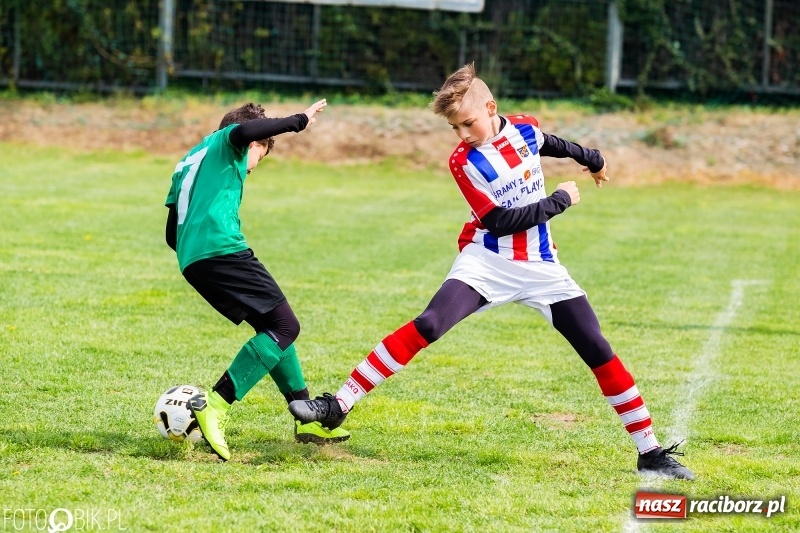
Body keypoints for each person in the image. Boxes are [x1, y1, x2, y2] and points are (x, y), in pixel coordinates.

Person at [289, 64, 695, 480]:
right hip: (487, 260)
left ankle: (650, 452)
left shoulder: (523, 129)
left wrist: (593, 158)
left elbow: (549, 143)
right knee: (429, 324)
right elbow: (500, 221)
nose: (463, 134)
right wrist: (560, 200)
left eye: (468, 123)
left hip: (541, 266)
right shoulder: (463, 162)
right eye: (454, 128)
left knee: (597, 348)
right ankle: (339, 404)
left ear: (491, 107)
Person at [164, 99, 350, 461]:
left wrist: (199, 253)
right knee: (285, 326)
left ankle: (304, 416)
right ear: (254, 144)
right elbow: (245, 130)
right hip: (222, 249)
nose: (251, 171)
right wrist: (299, 121)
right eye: (259, 158)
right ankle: (215, 404)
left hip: (193, 261)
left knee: (271, 325)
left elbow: (172, 233)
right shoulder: (227, 141)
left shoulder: (189, 160)